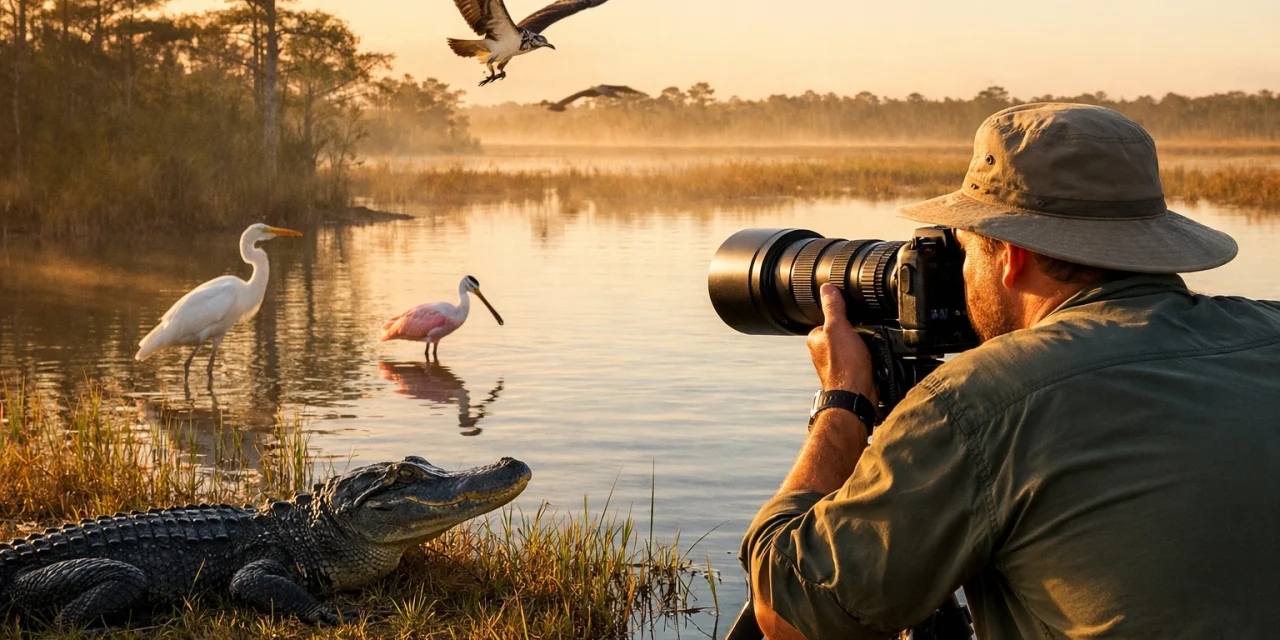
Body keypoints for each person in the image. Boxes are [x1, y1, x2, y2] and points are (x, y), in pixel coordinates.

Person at [740, 103, 1280, 639]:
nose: (959, 272)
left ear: (1011, 256)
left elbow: (790, 614)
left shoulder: (982, 399)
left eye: (965, 249)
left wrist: (844, 403)